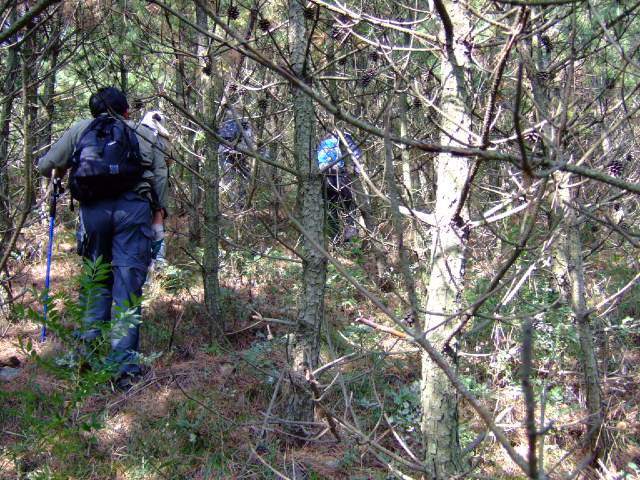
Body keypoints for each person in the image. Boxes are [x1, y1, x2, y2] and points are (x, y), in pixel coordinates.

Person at [37, 87, 168, 390]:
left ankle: (87, 360)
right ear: (126, 111)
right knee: (127, 286)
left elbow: (45, 166)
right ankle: (124, 371)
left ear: (93, 112)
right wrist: (160, 213)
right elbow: (160, 176)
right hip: (133, 212)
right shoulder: (143, 132)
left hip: (93, 212)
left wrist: (66, 169)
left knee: (96, 280)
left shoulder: (81, 129)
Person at [140, 110, 171, 271]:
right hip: (155, 187)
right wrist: (160, 203)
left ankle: (150, 263)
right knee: (157, 219)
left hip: (136, 190)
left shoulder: (135, 133)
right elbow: (161, 171)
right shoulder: (162, 141)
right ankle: (157, 261)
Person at [317, 131, 361, 243]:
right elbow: (356, 156)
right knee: (349, 205)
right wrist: (356, 171)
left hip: (324, 179)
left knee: (330, 209)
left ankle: (334, 238)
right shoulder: (345, 139)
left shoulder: (323, 142)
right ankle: (350, 235)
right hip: (341, 177)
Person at [218, 116, 254, 209]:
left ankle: (240, 204)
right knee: (231, 179)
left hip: (238, 153)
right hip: (229, 153)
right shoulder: (228, 121)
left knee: (241, 178)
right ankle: (235, 204)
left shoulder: (241, 122)